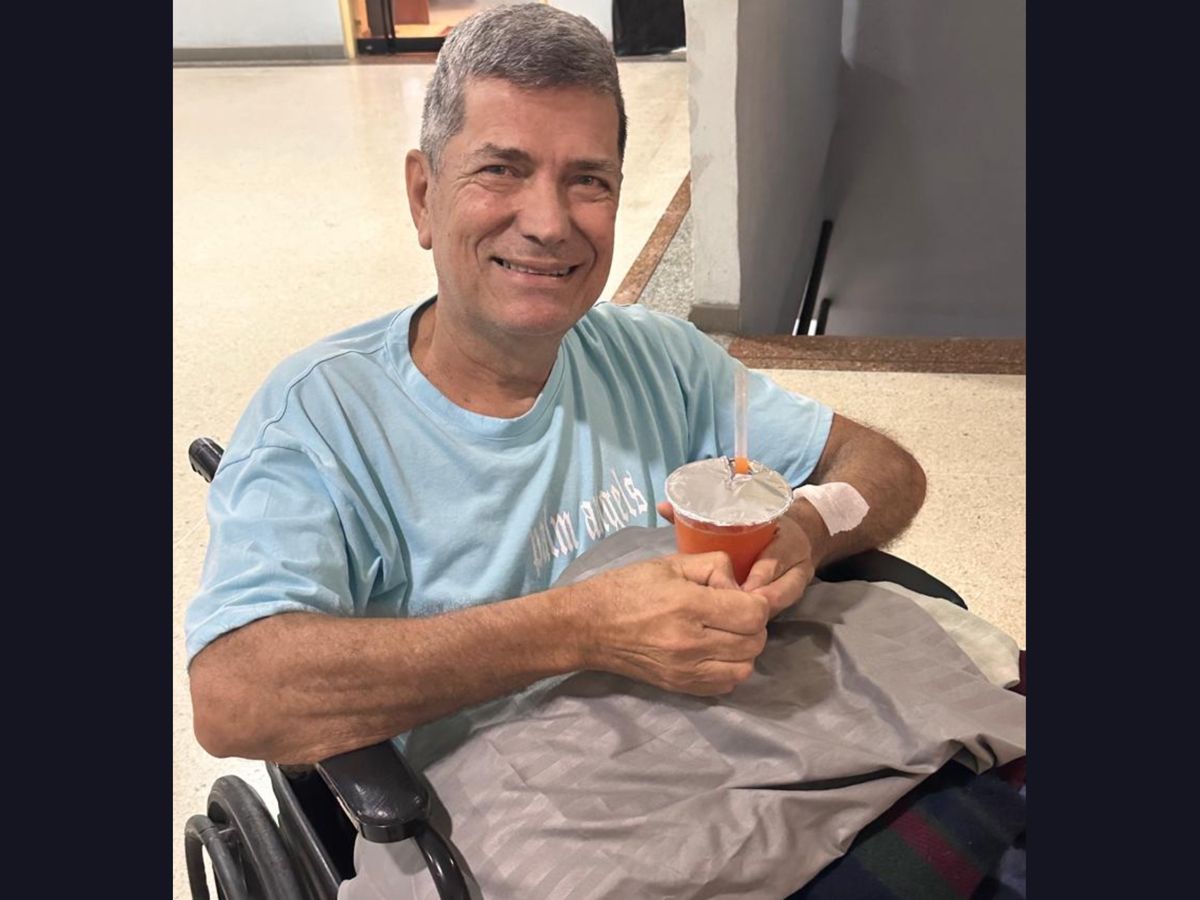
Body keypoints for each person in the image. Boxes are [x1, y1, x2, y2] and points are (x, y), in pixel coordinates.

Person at [185, 3, 925, 773]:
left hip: (704, 768)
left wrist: (807, 528)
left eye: (587, 181)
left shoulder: (660, 358)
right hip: (501, 813)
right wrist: (579, 628)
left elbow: (885, 469)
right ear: (423, 196)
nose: (548, 222)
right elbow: (234, 695)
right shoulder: (323, 419)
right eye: (500, 170)